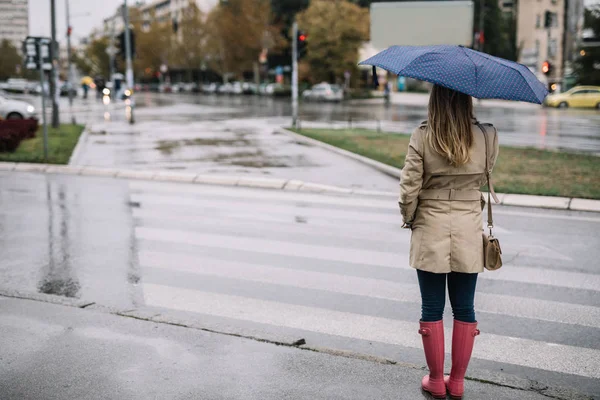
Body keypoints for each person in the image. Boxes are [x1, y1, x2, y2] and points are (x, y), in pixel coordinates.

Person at [399, 84, 499, 399]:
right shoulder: (486, 135)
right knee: (464, 307)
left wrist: (409, 216)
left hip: (430, 223)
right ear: (467, 99)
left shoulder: (422, 135)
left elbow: (408, 187)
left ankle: (435, 380)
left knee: (431, 306)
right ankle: (456, 382)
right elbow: (485, 175)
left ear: (434, 100)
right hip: (469, 225)